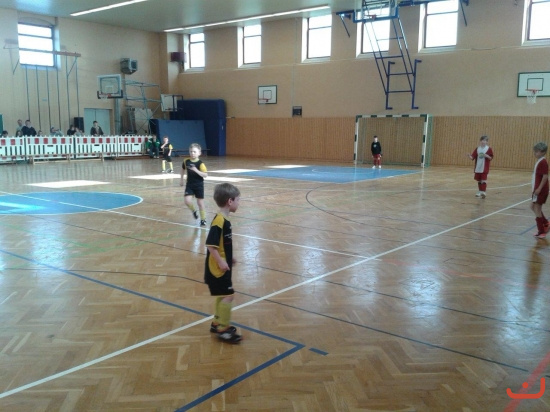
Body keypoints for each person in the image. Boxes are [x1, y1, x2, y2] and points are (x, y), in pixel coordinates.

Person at [205, 183, 242, 343]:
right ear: (230, 201)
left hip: (222, 266)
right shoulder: (219, 221)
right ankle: (223, 329)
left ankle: (216, 323)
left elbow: (222, 244)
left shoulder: (225, 220)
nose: (239, 203)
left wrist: (229, 257)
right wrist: (220, 261)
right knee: (228, 296)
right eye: (238, 200)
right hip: (217, 269)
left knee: (222, 294)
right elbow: (210, 245)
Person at [180, 143, 208, 226]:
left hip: (199, 185)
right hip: (189, 184)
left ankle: (203, 219)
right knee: (187, 201)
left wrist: (196, 170)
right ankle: (194, 211)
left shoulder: (200, 163)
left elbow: (205, 175)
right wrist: (181, 179)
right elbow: (182, 169)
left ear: (199, 153)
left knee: (200, 203)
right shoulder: (186, 161)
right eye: (191, 151)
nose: (192, 153)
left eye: (194, 152)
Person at [531, 142, 549, 239]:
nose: (534, 153)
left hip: (541, 190)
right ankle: (545, 222)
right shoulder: (539, 161)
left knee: (537, 209)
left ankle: (541, 231)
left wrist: (539, 188)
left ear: (542, 152)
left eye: (536, 151)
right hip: (537, 189)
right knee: (532, 207)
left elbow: (545, 177)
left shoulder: (543, 162)